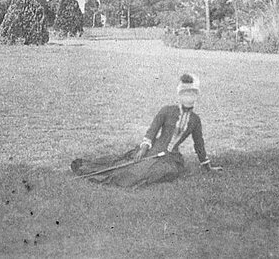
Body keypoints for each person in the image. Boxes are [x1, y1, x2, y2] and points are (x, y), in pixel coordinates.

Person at [70, 73, 222, 188]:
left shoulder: (195, 120)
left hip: (171, 160)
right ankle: (90, 170)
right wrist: (144, 148)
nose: (188, 97)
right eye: (185, 94)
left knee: (153, 173)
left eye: (192, 94)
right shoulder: (167, 111)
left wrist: (207, 166)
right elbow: (152, 130)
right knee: (129, 167)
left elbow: (199, 145)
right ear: (179, 95)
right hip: (152, 150)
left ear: (196, 96)